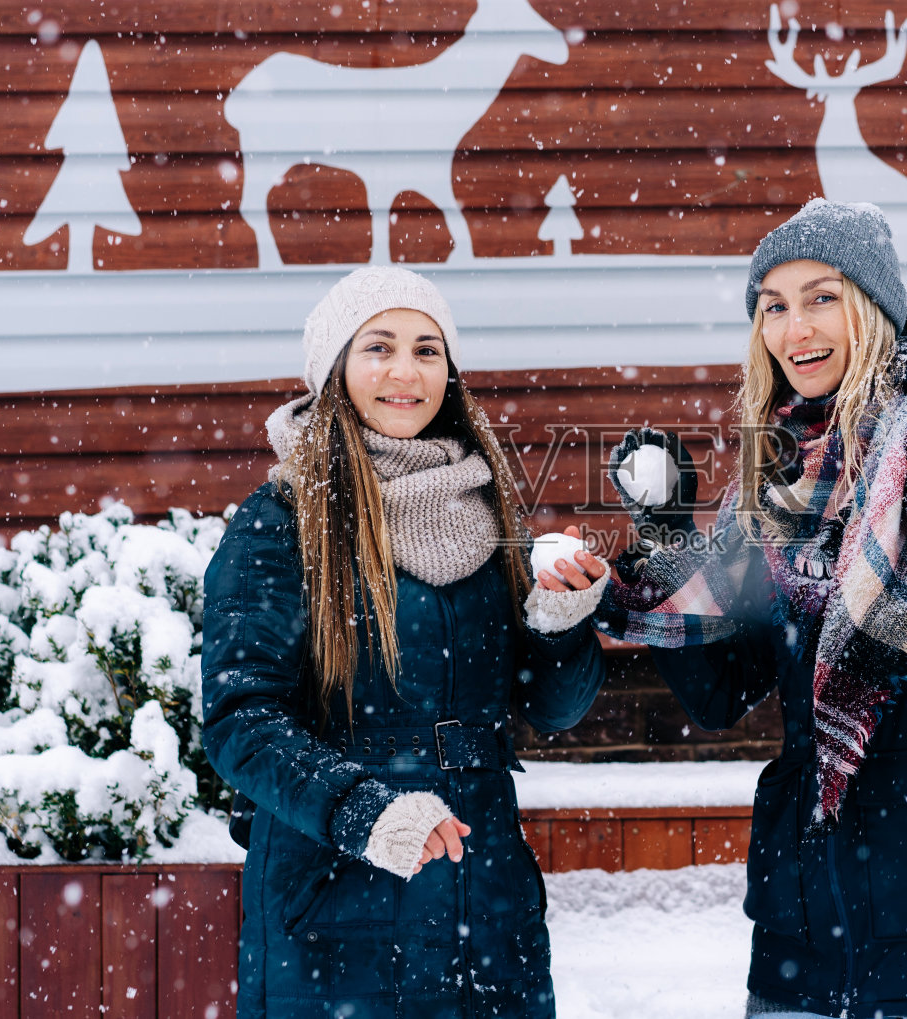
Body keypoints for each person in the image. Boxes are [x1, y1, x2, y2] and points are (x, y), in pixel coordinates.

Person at [595, 200, 907, 1019]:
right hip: (803, 931)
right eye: (774, 305)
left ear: (872, 307)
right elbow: (723, 685)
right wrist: (664, 534)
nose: (797, 327)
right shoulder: (775, 486)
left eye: (822, 296)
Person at [201, 266, 610, 1019]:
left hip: (485, 901)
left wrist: (561, 624)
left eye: (427, 350)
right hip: (334, 902)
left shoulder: (487, 509)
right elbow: (241, 721)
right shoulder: (281, 521)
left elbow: (549, 709)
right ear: (335, 370)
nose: (405, 371)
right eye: (378, 347)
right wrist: (362, 807)